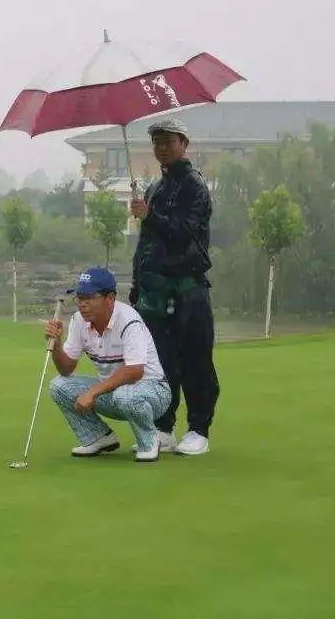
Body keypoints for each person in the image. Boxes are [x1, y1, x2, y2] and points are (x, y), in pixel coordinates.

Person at [129, 117, 220, 456]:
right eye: (157, 142)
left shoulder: (194, 185)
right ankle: (164, 426)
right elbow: (147, 245)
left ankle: (199, 429)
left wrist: (149, 215)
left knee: (195, 359)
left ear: (184, 143)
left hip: (188, 288)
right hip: (155, 291)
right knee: (162, 362)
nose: (161, 148)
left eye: (168, 141)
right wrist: (138, 283)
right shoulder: (155, 187)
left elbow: (186, 230)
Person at [44, 267, 171, 462]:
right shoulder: (79, 321)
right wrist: (57, 344)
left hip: (154, 391)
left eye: (89, 298)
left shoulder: (129, 320)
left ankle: (150, 439)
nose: (82, 304)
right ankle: (99, 437)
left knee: (125, 394)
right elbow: (66, 369)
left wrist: (93, 392)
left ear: (110, 298)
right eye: (79, 298)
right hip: (113, 393)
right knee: (59, 386)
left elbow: (135, 372)